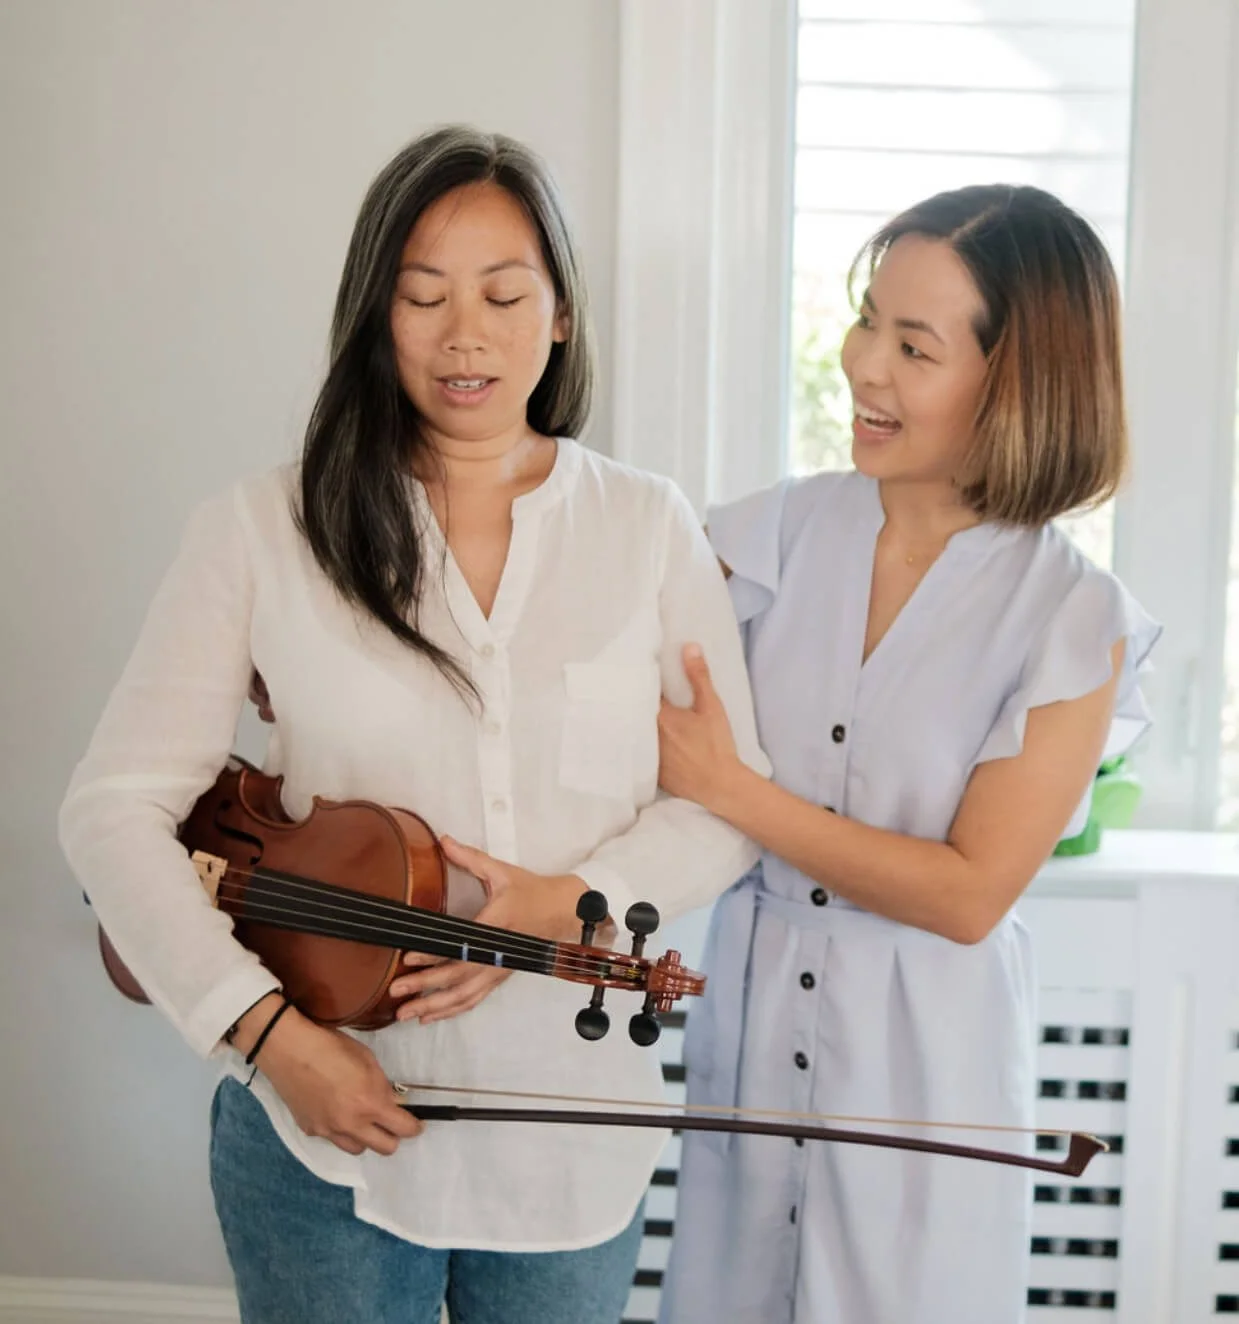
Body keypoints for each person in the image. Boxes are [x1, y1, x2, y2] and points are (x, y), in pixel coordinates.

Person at [58, 125, 766, 1324]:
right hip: (321, 1126)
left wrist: (565, 899)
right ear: (374, 316)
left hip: (571, 1133)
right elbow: (112, 810)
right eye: (422, 295)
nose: (463, 334)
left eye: (503, 294)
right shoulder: (259, 527)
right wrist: (269, 1037)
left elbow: (721, 808)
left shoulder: (649, 526)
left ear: (560, 317)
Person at [653, 185, 1160, 1324]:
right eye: (868, 319)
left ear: (1016, 381)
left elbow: (972, 891)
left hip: (927, 1060)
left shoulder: (1075, 619)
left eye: (913, 346)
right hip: (752, 1019)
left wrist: (739, 794)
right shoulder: (763, 532)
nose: (863, 366)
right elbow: (588, 667)